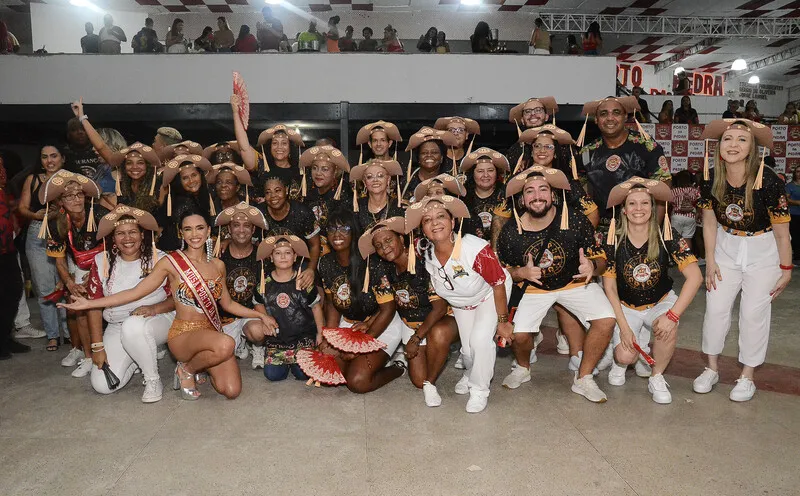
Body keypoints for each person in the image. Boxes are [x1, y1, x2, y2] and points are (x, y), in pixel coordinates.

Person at [60, 205, 277, 401]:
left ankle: (201, 365)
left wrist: (260, 315)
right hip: (183, 334)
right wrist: (88, 304)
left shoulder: (218, 265)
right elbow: (136, 292)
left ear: (208, 232)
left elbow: (228, 305)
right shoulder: (171, 262)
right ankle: (187, 369)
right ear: (181, 233)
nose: (195, 234)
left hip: (210, 332)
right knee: (227, 343)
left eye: (200, 228)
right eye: (188, 229)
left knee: (231, 390)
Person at [496, 168, 615, 403]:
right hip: (533, 288)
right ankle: (523, 367)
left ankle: (583, 377)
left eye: (543, 189)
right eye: (529, 191)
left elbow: (600, 258)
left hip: (573, 282)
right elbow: (504, 271)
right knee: (518, 335)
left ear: (553, 195)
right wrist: (521, 272)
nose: (536, 196)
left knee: (606, 319)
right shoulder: (511, 231)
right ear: (522, 199)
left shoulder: (575, 219)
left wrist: (592, 267)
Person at [694, 119, 791, 402]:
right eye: (728, 139)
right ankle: (710, 368)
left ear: (752, 148)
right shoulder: (709, 177)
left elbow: (783, 233)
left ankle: (747, 376)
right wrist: (709, 260)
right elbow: (709, 223)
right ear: (719, 145)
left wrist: (785, 268)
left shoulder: (769, 179)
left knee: (753, 314)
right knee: (715, 308)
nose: (733, 145)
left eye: (741, 139)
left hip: (764, 249)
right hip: (726, 245)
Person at [407, 196, 511, 413]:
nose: (435, 223)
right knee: (468, 352)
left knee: (481, 341)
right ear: (422, 229)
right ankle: (470, 373)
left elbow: (498, 283)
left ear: (453, 222)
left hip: (489, 294)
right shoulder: (424, 253)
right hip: (461, 304)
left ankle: (479, 390)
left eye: (441, 217)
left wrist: (503, 321)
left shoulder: (475, 248)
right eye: (427, 220)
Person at [602, 179, 702, 403]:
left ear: (653, 207)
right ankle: (621, 353)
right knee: (625, 355)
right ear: (624, 210)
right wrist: (624, 328)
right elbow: (609, 287)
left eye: (645, 203)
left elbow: (695, 277)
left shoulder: (667, 236)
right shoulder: (613, 239)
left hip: (659, 301)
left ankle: (656, 377)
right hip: (627, 306)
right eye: (633, 204)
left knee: (668, 326)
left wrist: (672, 315)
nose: (639, 209)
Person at [361, 217, 459, 407]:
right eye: (379, 245)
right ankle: (434, 353)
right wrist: (369, 322)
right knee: (417, 381)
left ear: (401, 238)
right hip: (410, 322)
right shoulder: (384, 268)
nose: (385, 248)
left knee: (437, 338)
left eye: (389, 240)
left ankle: (438, 348)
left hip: (438, 319)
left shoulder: (423, 262)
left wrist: (416, 339)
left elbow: (439, 308)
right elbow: (390, 304)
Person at [85, 205, 174, 401]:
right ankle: (137, 356)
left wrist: (154, 308)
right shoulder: (101, 261)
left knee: (133, 326)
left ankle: (152, 379)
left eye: (133, 232)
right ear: (113, 238)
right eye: (121, 233)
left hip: (157, 319)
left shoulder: (161, 259)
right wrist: (97, 347)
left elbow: (177, 299)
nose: (127, 238)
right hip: (116, 326)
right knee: (102, 386)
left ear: (142, 234)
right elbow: (94, 305)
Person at [316, 208, 406, 392]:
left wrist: (358, 347)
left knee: (357, 382)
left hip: (381, 323)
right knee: (328, 376)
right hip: (349, 324)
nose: (337, 234)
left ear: (354, 232)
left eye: (344, 229)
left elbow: (388, 310)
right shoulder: (325, 262)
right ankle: (357, 361)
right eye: (332, 229)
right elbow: (332, 303)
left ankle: (398, 367)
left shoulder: (372, 262)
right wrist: (330, 336)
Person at [42, 171, 111, 378]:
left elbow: (116, 245)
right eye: (69, 196)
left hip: (107, 262)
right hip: (81, 266)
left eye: (79, 194)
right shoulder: (55, 222)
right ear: (60, 201)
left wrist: (96, 274)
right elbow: (59, 258)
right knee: (79, 304)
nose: (76, 199)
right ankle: (88, 357)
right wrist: (70, 283)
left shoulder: (99, 214)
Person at [579, 96, 671, 234]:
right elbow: (580, 192)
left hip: (639, 228)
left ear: (625, 116)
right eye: (604, 114)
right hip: (601, 231)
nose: (610, 118)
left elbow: (664, 187)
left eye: (616, 112)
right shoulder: (587, 152)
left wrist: (652, 232)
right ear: (596, 119)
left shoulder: (645, 145)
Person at [246, 235, 321, 382]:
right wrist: (265, 319)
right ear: (271, 258)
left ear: (295, 257)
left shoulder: (304, 281)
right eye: (278, 253)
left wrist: (320, 333)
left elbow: (316, 308)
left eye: (288, 253)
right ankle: (287, 361)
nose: (283, 257)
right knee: (273, 375)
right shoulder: (264, 283)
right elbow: (258, 303)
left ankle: (296, 362)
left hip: (302, 339)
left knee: (303, 374)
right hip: (277, 341)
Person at [18, 144, 67, 352]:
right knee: (45, 288)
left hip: (64, 231)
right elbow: (22, 208)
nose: (49, 161)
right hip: (38, 233)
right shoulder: (33, 179)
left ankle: (69, 332)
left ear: (62, 158)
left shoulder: (70, 178)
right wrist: (35, 216)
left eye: (54, 156)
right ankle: (53, 335)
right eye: (45, 157)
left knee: (66, 284)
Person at [70, 99, 161, 212]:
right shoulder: (119, 175)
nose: (134, 167)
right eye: (129, 163)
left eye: (140, 162)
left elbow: (101, 146)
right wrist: (82, 118)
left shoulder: (156, 184)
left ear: (148, 165)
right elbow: (101, 147)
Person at [213, 203, 268, 366]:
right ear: (229, 230)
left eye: (247, 226)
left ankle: (257, 345)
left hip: (251, 314)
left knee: (258, 333)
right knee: (219, 351)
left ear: (253, 230)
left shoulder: (263, 256)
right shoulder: (219, 255)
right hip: (225, 316)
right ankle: (239, 341)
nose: (241, 230)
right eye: (236, 225)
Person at [259, 173, 320, 290]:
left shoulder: (302, 213)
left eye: (277, 190)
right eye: (268, 192)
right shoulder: (259, 213)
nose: (273, 196)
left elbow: (315, 245)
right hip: (270, 267)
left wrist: (311, 270)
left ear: (286, 190)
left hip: (300, 266)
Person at [0, 158, 30, 359]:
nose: (2, 171)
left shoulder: (2, 190)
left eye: (2, 166)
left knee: (13, 291)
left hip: (7, 248)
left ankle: (5, 337)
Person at [299, 144, 352, 255]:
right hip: (311, 249)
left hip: (337, 250)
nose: (318, 173)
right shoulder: (307, 192)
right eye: (315, 168)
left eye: (325, 169)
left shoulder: (344, 194)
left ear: (335, 172)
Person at [154, 154, 214, 251]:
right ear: (179, 181)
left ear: (200, 175)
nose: (191, 181)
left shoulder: (204, 196)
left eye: (194, 175)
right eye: (185, 178)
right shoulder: (183, 203)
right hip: (179, 254)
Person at [460, 147, 509, 241]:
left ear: (497, 173)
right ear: (472, 174)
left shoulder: (506, 195)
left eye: (490, 170)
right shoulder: (462, 196)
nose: (486, 175)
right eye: (480, 171)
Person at [403, 127, 459, 202]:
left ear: (442, 158)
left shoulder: (450, 183)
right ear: (418, 158)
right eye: (424, 153)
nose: (429, 155)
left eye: (434, 152)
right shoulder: (405, 179)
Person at [350, 159, 405, 233]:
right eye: (369, 177)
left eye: (380, 176)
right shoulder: (357, 207)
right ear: (364, 182)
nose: (375, 180)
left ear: (388, 180)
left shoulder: (399, 207)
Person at [64, 116, 113, 193]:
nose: (80, 132)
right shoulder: (64, 156)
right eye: (74, 130)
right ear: (68, 134)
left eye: (83, 129)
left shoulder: (101, 154)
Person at [670, 170, 700, 251]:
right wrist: (697, 213)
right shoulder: (694, 191)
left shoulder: (674, 191)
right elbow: (700, 202)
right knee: (688, 239)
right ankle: (688, 258)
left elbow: (668, 203)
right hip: (690, 217)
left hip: (677, 216)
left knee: (676, 239)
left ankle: (676, 259)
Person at [786, 167, 800, 265]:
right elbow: (786, 199)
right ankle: (797, 257)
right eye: (798, 171)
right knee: (795, 236)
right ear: (795, 173)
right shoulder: (790, 186)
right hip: (794, 214)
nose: (799, 173)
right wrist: (797, 202)